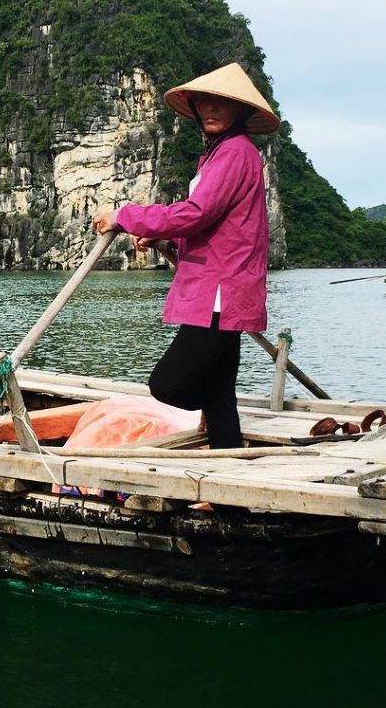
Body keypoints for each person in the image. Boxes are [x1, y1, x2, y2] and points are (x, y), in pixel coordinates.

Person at [91, 62, 279, 449]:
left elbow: (197, 213)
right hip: (224, 287)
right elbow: (220, 229)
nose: (211, 109)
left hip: (219, 293)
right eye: (205, 102)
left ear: (240, 111)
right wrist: (166, 240)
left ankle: (224, 470)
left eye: (221, 104)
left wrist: (126, 216)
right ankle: (226, 483)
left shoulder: (234, 153)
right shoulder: (220, 155)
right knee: (221, 396)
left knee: (168, 384)